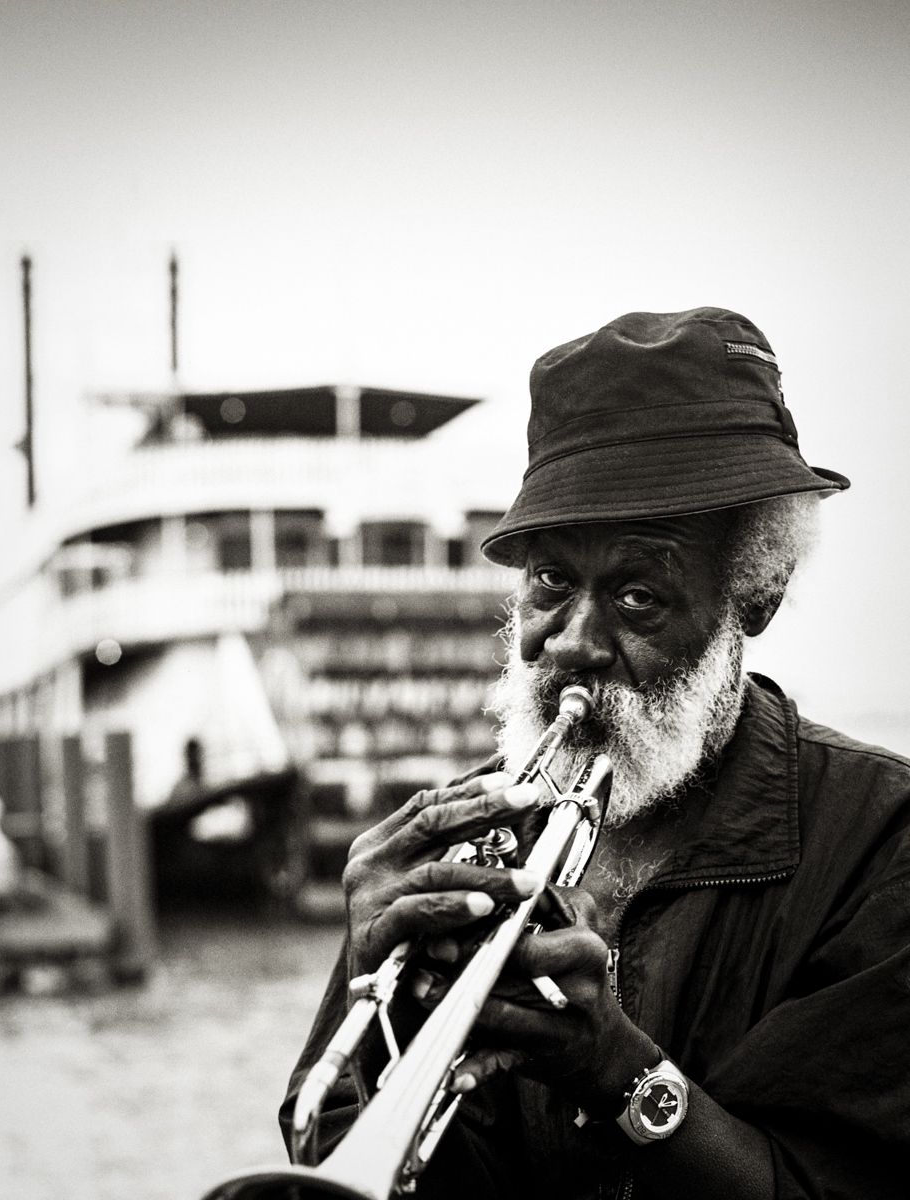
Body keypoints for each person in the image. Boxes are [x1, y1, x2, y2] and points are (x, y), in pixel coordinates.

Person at [280, 308, 910, 1199]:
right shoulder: (464, 836)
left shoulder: (882, 844)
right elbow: (334, 1154)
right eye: (550, 581)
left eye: (638, 594)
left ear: (754, 595)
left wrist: (613, 1068)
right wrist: (370, 980)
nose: (572, 641)